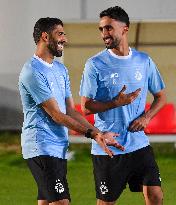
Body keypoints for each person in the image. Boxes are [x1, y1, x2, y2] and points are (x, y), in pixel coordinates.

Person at [18, 17, 128, 205]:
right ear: (45, 37)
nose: (65, 39)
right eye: (60, 34)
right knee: (62, 202)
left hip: (58, 147)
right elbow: (56, 114)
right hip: (41, 146)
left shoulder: (60, 69)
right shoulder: (32, 71)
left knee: (47, 201)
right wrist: (91, 133)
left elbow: (70, 110)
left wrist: (98, 134)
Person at [80, 6, 166, 205]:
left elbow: (161, 97)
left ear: (125, 29)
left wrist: (146, 117)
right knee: (106, 203)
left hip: (139, 144)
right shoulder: (94, 64)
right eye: (101, 29)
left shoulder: (144, 61)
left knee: (155, 194)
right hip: (108, 147)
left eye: (109, 28)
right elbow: (85, 107)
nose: (104, 34)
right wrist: (115, 103)